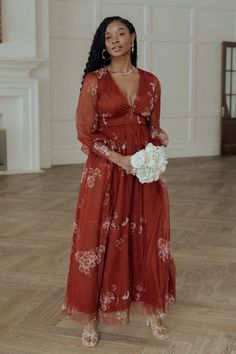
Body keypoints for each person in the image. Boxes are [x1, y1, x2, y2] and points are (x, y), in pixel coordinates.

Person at [61, 16, 176, 348]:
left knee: (148, 235)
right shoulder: (94, 81)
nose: (114, 40)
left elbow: (154, 126)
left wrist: (154, 151)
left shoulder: (152, 81)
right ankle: (91, 317)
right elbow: (86, 132)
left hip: (143, 171)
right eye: (107, 36)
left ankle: (154, 310)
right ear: (103, 43)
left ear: (132, 38)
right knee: (100, 238)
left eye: (120, 33)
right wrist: (119, 159)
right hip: (107, 170)